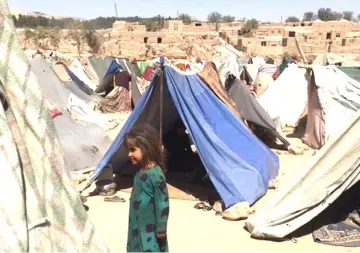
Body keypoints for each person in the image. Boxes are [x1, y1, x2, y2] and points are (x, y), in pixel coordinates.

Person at [124, 124, 169, 252]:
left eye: (133, 150)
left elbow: (162, 201)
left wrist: (161, 225)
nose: (129, 154)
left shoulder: (155, 174)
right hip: (137, 224)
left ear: (146, 149)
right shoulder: (140, 171)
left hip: (150, 228)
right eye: (129, 150)